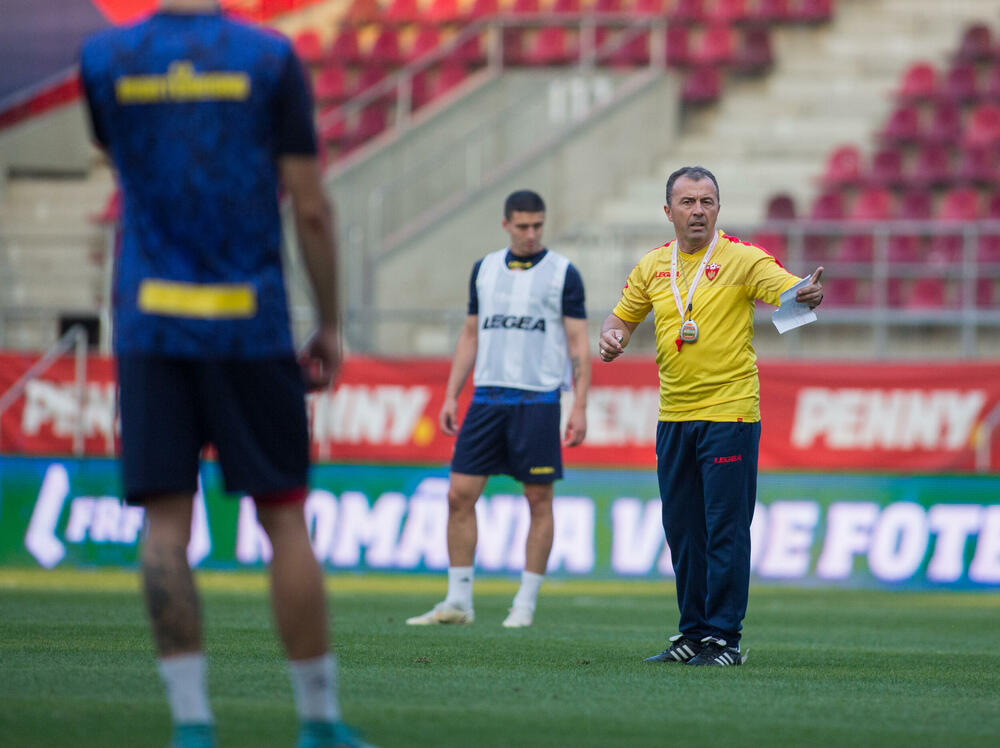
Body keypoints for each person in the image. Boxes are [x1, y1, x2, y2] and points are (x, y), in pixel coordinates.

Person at [79, 3, 372, 747]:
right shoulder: (269, 57)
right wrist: (331, 322)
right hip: (249, 322)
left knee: (165, 526)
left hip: (150, 321)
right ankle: (318, 720)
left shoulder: (105, 58)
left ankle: (192, 724)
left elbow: (130, 167)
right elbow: (310, 207)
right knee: (284, 519)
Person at [597, 166, 823, 667]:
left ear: (718, 209)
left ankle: (725, 639)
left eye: (707, 202)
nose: (698, 210)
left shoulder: (743, 259)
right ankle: (693, 633)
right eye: (688, 202)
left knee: (725, 530)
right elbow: (621, 318)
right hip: (673, 416)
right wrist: (611, 336)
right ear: (668, 212)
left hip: (730, 415)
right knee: (683, 532)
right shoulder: (652, 266)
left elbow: (790, 291)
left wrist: (806, 294)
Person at [406, 190, 590, 629]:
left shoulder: (563, 273)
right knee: (458, 495)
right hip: (487, 397)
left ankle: (524, 604)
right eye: (523, 226)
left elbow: (579, 343)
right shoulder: (484, 269)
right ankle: (458, 601)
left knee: (538, 499)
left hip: (538, 398)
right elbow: (470, 333)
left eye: (537, 226)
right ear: (505, 224)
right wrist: (453, 393)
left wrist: (578, 405)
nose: (531, 234)